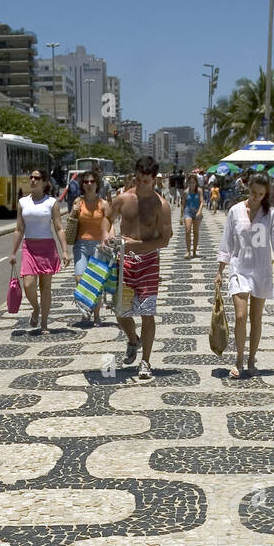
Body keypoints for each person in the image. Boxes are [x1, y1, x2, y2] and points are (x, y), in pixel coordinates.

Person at [216, 171, 274, 379]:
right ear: (248, 188)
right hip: (240, 268)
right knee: (240, 316)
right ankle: (239, 358)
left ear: (266, 194)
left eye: (261, 194)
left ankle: (251, 358)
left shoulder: (271, 214)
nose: (256, 197)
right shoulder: (235, 211)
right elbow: (227, 241)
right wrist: (220, 270)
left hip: (262, 269)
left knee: (256, 319)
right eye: (253, 192)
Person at [109, 155, 173, 382]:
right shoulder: (123, 198)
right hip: (124, 262)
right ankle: (133, 340)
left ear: (154, 179)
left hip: (148, 263)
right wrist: (108, 233)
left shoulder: (161, 205)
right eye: (138, 180)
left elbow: (165, 240)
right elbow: (106, 218)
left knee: (147, 312)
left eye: (146, 181)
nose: (141, 184)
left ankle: (145, 361)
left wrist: (139, 245)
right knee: (121, 312)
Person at [10, 169, 70, 333]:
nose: (33, 180)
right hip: (29, 247)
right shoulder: (23, 202)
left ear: (44, 182)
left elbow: (58, 227)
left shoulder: (52, 202)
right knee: (28, 284)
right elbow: (19, 228)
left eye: (37, 178)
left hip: (47, 248)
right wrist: (13, 252)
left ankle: (44, 323)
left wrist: (65, 251)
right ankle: (35, 308)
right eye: (31, 177)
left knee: (45, 287)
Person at [70, 170, 111, 326]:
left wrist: (109, 240)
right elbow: (71, 223)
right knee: (79, 279)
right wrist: (73, 213)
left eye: (91, 182)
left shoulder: (103, 204)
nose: (88, 184)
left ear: (96, 184)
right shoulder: (78, 202)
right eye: (85, 182)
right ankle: (85, 309)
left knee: (96, 282)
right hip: (81, 245)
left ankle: (96, 315)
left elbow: (110, 224)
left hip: (98, 246)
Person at [183, 173, 203, 257]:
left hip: (197, 213)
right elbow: (183, 204)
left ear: (196, 183)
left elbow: (202, 201)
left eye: (193, 182)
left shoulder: (199, 191)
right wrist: (181, 216)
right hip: (188, 212)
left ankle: (194, 251)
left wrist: (199, 211)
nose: (192, 184)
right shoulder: (186, 192)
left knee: (196, 232)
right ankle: (188, 251)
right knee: (187, 231)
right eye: (190, 182)